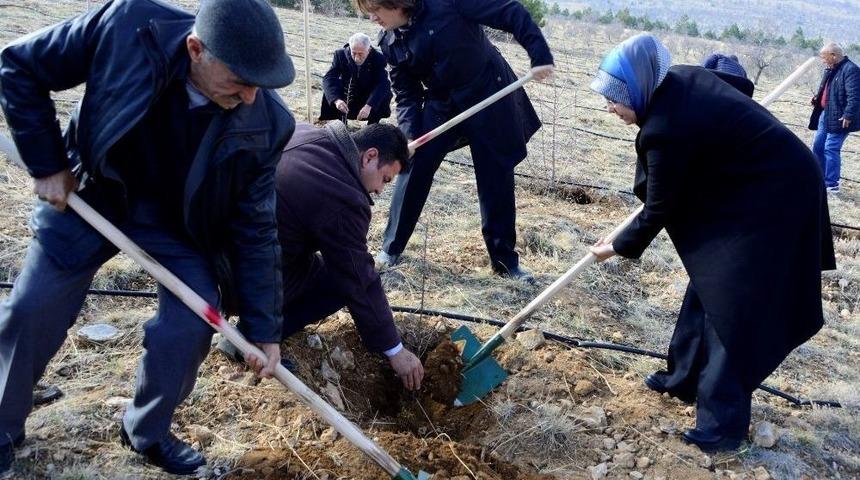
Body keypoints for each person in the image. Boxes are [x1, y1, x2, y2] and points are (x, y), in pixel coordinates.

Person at [0, 0, 296, 475]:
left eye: (259, 84)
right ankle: (2, 423)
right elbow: (18, 65)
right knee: (33, 307)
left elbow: (256, 228)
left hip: (178, 224)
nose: (249, 98)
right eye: (240, 81)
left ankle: (147, 430)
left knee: (191, 324)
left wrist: (264, 328)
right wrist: (47, 163)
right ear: (196, 49)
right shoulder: (128, 27)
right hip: (93, 189)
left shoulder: (269, 124)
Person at [588, 34, 835, 453]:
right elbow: (735, 88)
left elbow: (657, 210)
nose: (608, 107)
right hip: (753, 185)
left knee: (733, 303)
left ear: (639, 90)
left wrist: (615, 246)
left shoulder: (663, 129)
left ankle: (722, 429)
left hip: (779, 196)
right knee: (710, 278)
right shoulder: (676, 80)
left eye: (615, 99)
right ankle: (682, 377)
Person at [355, 0, 555, 284]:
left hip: (487, 91)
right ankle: (391, 248)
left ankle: (505, 263)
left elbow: (511, 12)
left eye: (375, 10)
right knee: (414, 162)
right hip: (442, 101)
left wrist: (539, 53)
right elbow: (407, 93)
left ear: (396, 2)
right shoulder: (390, 42)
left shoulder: (449, 3)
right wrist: (410, 134)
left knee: (495, 175)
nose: (372, 18)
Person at [219, 122, 425, 390]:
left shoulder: (303, 132)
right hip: (241, 274)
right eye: (385, 179)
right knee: (338, 280)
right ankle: (252, 336)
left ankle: (248, 331)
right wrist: (395, 350)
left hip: (214, 251)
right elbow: (358, 277)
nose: (380, 190)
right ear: (370, 155)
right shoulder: (342, 195)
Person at [809, 42, 860, 193]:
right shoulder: (831, 69)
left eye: (824, 57)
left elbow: (855, 96)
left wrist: (848, 114)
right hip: (826, 113)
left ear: (834, 55)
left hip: (841, 117)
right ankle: (818, 177)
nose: (823, 60)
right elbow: (828, 90)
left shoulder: (851, 70)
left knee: (830, 148)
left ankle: (831, 184)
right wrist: (817, 99)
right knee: (818, 145)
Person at [319, 32, 393, 124]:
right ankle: (340, 124)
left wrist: (369, 105)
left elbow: (383, 84)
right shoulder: (340, 55)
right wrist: (337, 100)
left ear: (368, 50)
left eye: (361, 54)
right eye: (354, 53)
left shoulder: (378, 58)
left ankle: (372, 126)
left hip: (367, 95)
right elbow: (329, 77)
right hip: (347, 94)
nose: (356, 58)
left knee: (386, 93)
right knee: (331, 90)